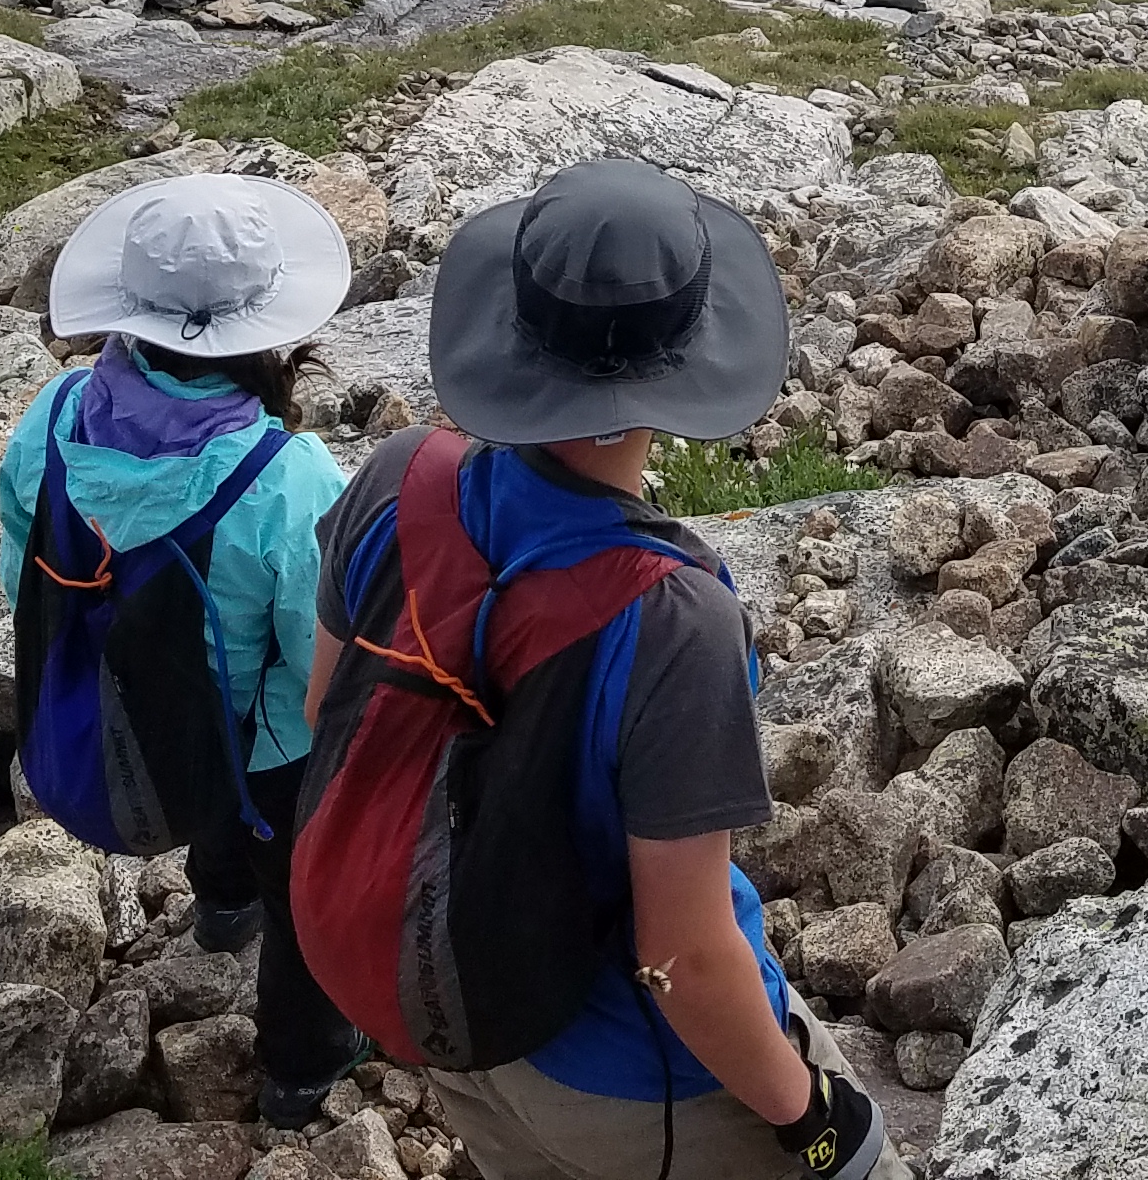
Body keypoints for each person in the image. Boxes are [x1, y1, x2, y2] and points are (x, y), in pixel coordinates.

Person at [305, 154, 891, 1180]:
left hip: (453, 1010)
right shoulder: (674, 617)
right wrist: (814, 1123)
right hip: (634, 1078)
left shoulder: (397, 478)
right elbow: (682, 959)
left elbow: (328, 719)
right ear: (688, 362)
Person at [3, 172, 360, 1125]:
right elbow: (310, 663)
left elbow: (23, 574)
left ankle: (215, 906)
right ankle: (299, 1072)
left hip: (128, 708)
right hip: (262, 746)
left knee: (189, 735)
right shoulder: (290, 481)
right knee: (302, 895)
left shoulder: (56, 417)